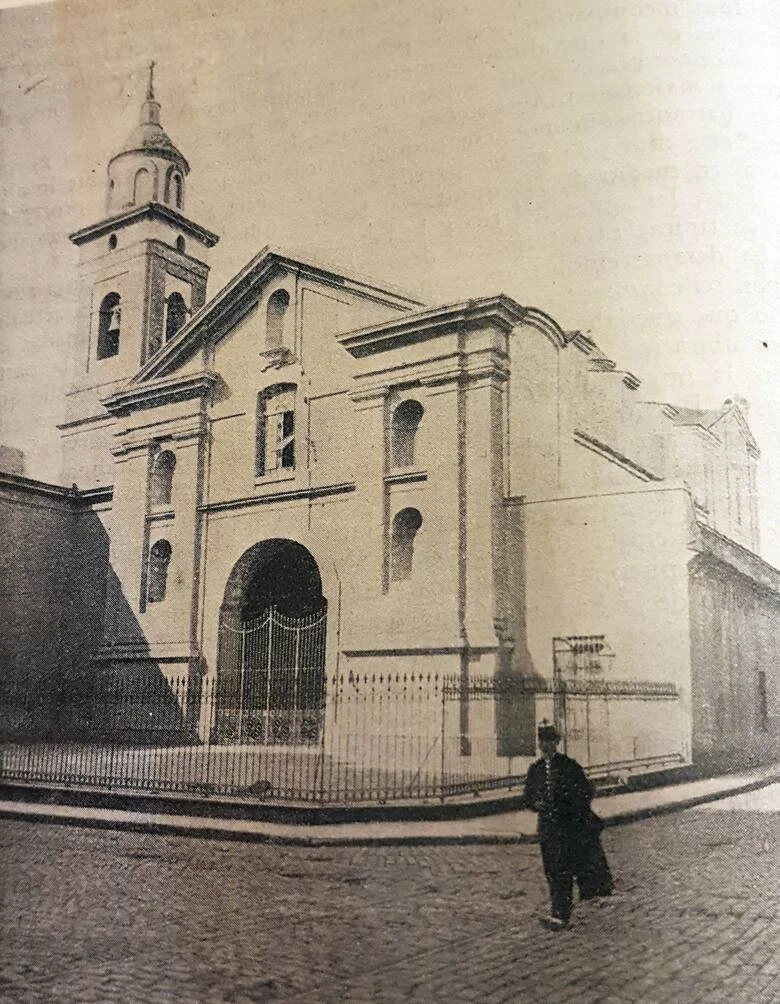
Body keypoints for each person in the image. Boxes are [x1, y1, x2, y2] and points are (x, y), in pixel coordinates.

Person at [524, 722, 613, 930]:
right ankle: (559, 911)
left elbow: (586, 791)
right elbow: (527, 797)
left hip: (567, 828)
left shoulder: (569, 766)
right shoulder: (535, 770)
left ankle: (561, 913)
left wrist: (568, 805)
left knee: (563, 868)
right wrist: (535, 804)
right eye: (543, 741)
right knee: (552, 869)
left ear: (557, 742)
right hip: (547, 828)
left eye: (550, 741)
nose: (546, 745)